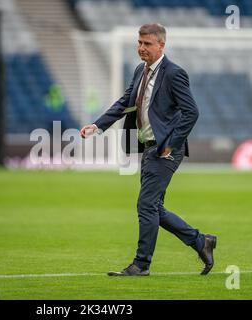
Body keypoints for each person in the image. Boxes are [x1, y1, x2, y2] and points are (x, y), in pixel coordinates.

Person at [80, 23, 216, 276]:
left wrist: (171, 144)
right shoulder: (139, 71)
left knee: (146, 205)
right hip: (149, 149)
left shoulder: (174, 73)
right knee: (154, 207)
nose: (141, 48)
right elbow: (126, 103)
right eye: (139, 43)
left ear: (161, 45)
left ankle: (141, 264)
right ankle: (201, 242)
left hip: (165, 150)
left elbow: (192, 112)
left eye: (147, 44)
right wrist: (98, 126)